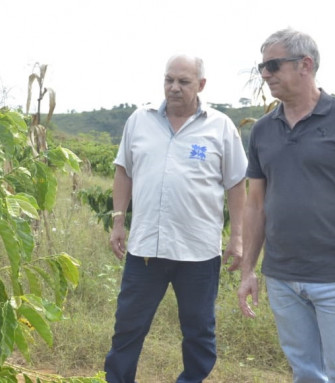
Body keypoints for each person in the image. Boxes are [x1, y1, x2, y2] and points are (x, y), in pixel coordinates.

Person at [237, 28, 335, 382]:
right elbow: (255, 205)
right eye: (262, 67)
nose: (266, 74)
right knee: (305, 372)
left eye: (273, 65)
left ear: (306, 64)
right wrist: (248, 270)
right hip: (283, 277)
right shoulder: (262, 130)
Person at [105, 54, 248, 383]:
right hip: (145, 251)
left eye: (183, 82)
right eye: (169, 80)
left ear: (201, 85)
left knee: (199, 333)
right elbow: (123, 170)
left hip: (198, 253)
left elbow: (237, 183)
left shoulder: (220, 127)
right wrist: (117, 220)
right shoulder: (139, 121)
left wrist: (238, 237)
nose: (174, 87)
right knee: (127, 327)